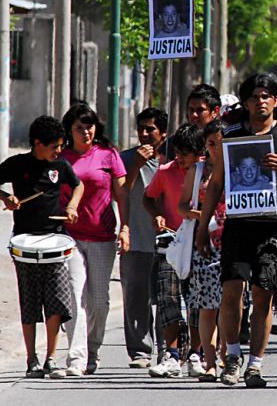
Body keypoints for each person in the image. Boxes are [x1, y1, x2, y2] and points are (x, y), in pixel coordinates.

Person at [197, 72, 277, 388]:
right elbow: (216, 182)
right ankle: (232, 357)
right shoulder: (231, 136)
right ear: (246, 103)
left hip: (274, 228)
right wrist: (202, 228)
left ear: (275, 100)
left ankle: (255, 365)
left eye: (266, 96)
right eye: (254, 97)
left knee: (264, 297)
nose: (260, 101)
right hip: (237, 226)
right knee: (232, 291)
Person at [0, 116, 84, 379]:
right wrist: (6, 197)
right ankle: (31, 359)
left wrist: (71, 207)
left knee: (57, 302)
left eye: (61, 146)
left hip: (56, 239)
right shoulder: (18, 164)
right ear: (38, 143)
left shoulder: (60, 165)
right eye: (54, 146)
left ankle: (51, 358)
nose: (59, 151)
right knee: (29, 302)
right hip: (24, 240)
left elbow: (78, 185)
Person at [59, 103, 130, 376]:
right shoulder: (61, 158)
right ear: (69, 131)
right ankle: (75, 358)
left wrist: (125, 228)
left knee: (99, 300)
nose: (86, 132)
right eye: (79, 127)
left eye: (89, 126)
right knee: (74, 296)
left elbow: (122, 196)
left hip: (102, 237)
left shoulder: (108, 155)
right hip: (70, 237)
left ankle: (93, 348)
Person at [144, 123, 205, 378]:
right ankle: (171, 354)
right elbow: (148, 197)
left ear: (199, 153)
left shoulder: (208, 174)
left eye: (185, 153)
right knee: (168, 297)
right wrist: (157, 215)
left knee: (197, 301)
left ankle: (197, 354)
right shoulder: (166, 171)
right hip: (171, 242)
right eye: (177, 152)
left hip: (200, 243)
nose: (179, 158)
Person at [119, 107, 168, 368]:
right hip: (136, 238)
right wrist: (136, 165)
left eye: (151, 129)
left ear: (163, 133)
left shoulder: (173, 159)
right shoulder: (126, 159)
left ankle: (166, 350)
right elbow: (121, 192)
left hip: (166, 241)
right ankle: (139, 351)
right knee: (135, 296)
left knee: (165, 298)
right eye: (141, 129)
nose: (145, 134)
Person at [179, 120, 227, 381]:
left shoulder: (239, 167)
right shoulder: (197, 171)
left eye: (220, 144)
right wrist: (203, 215)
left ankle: (226, 354)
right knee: (208, 307)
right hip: (206, 245)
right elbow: (182, 206)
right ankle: (209, 362)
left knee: (231, 306)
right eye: (210, 144)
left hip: (233, 244)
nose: (215, 150)